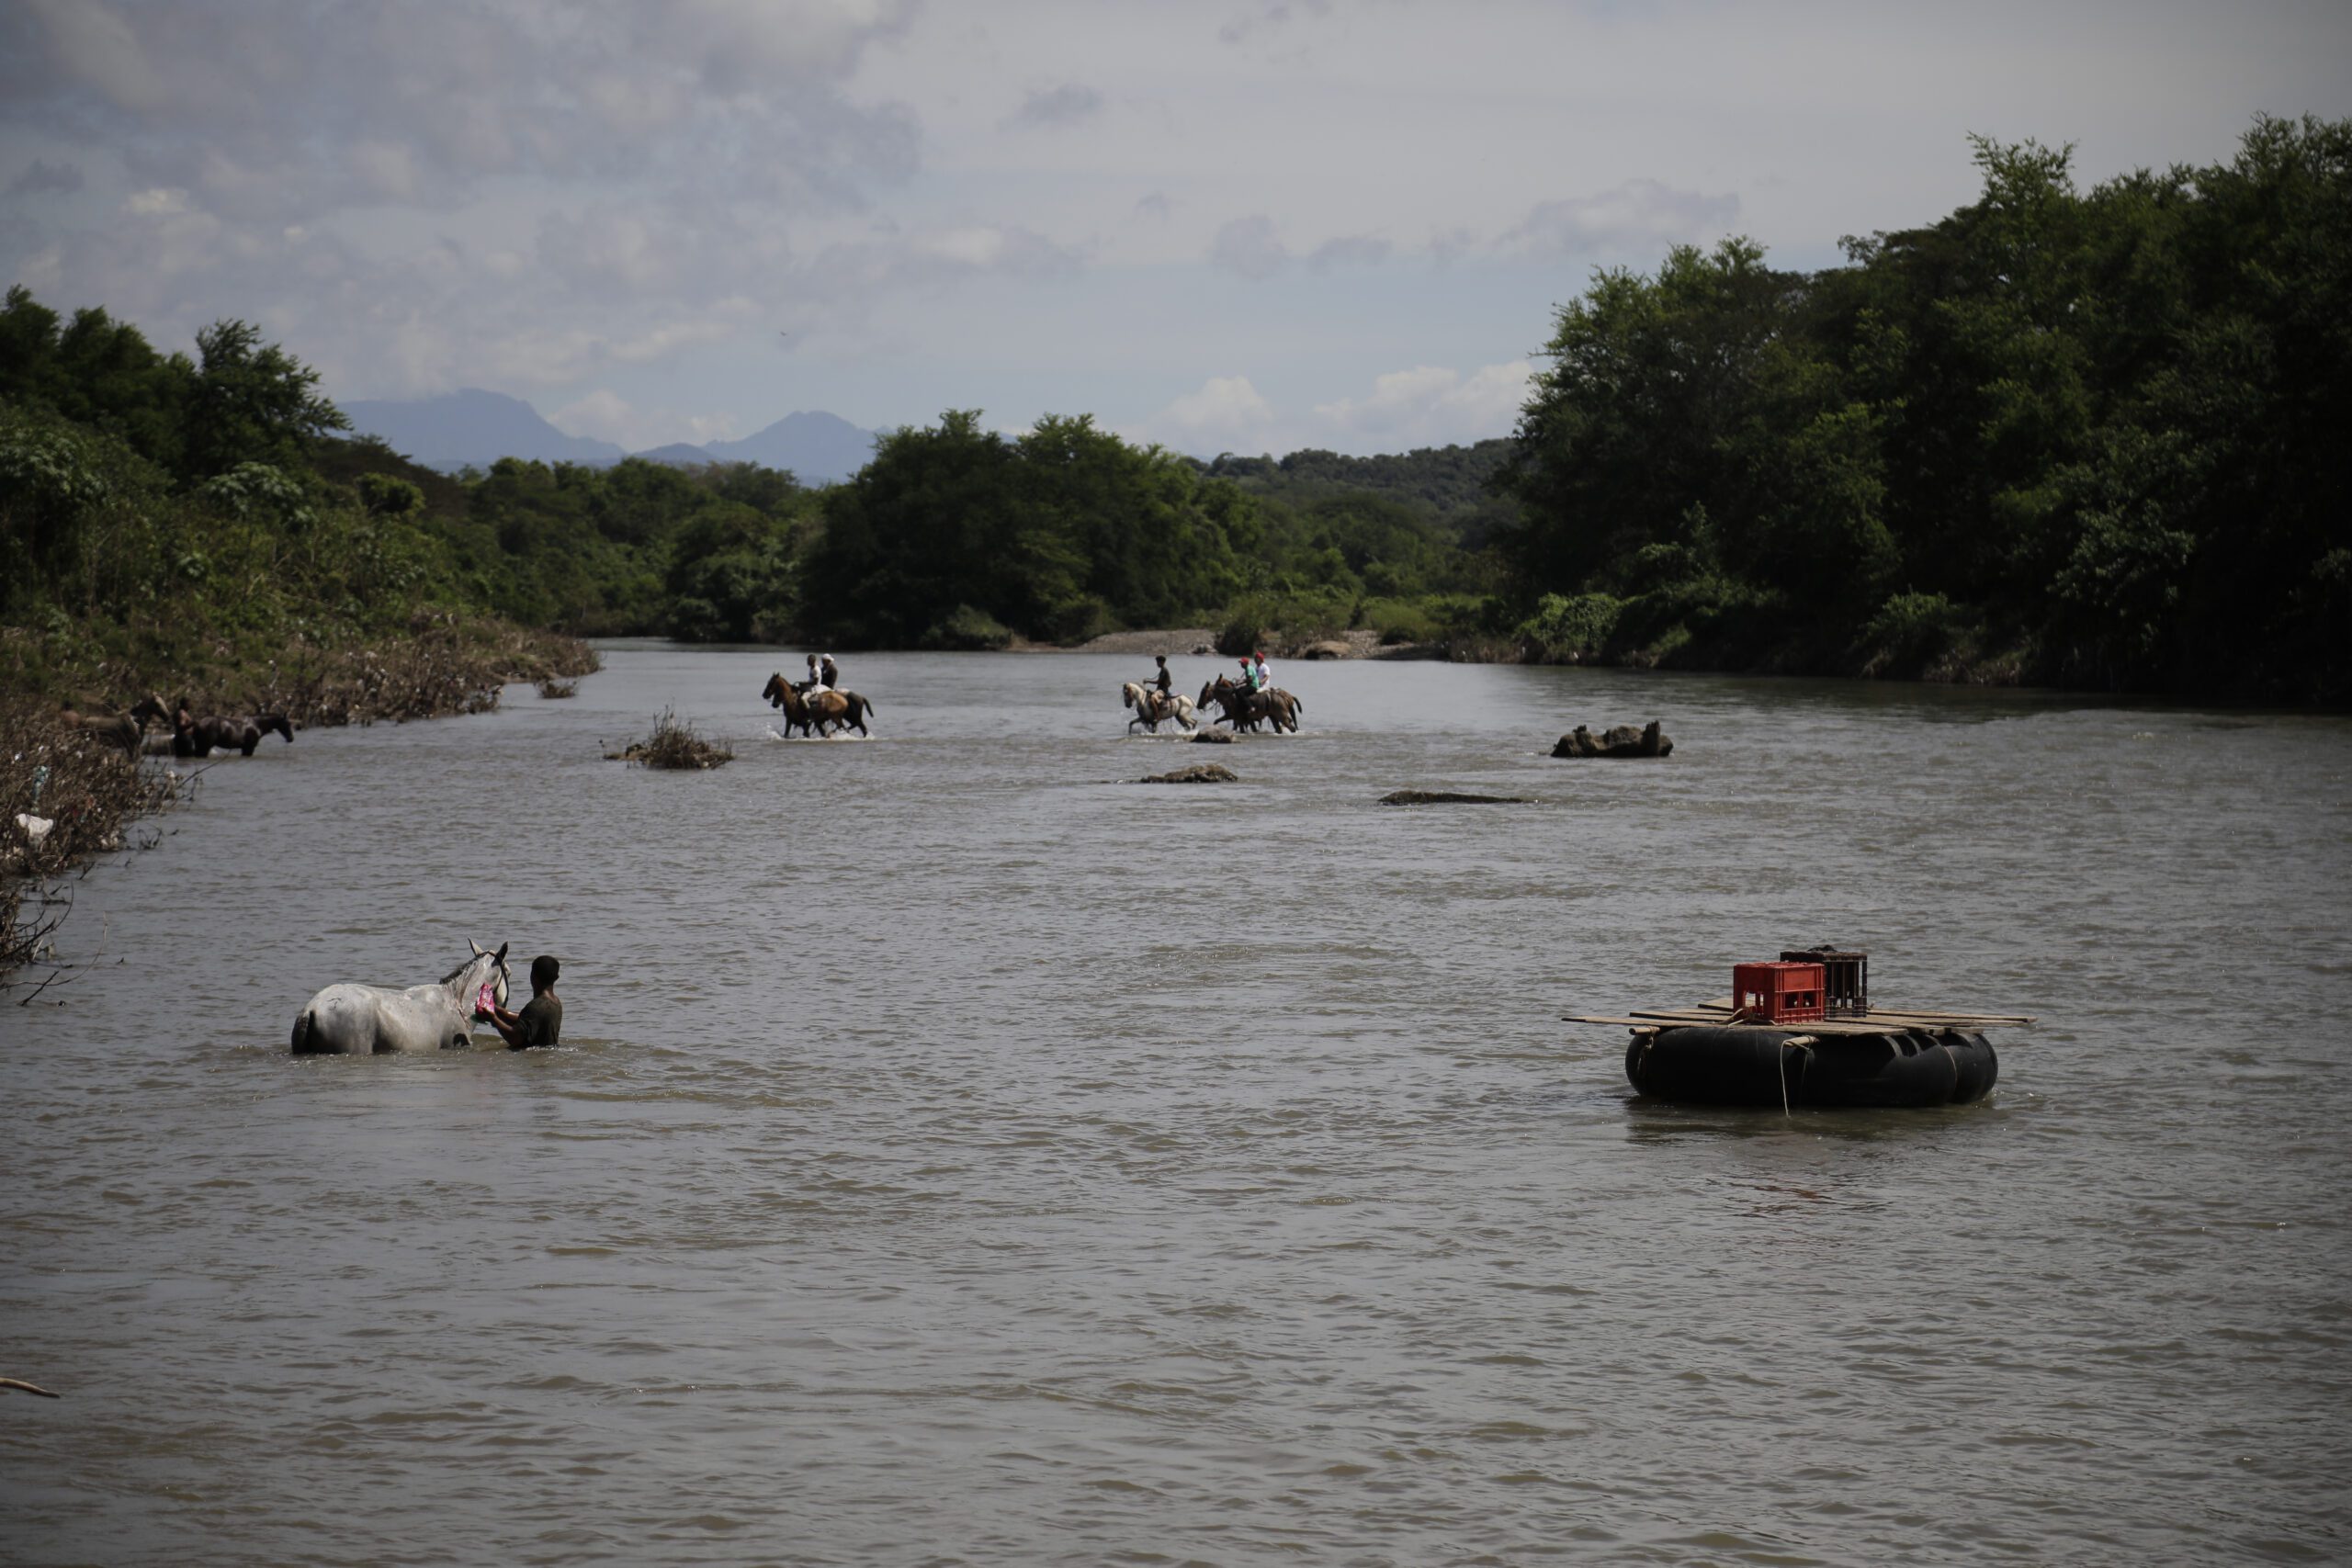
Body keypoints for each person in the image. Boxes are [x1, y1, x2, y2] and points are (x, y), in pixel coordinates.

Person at [481, 954, 563, 1050]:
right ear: (556, 978)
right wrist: (496, 1010)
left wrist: (493, 1019)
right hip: (545, 1054)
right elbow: (529, 1020)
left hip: (530, 1059)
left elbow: (514, 1038)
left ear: (533, 977)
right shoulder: (556, 1003)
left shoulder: (536, 1006)